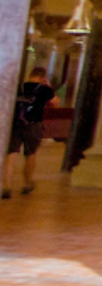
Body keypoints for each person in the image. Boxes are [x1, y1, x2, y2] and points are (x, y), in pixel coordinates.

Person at [5, 67, 57, 198]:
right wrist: (48, 86)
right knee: (30, 154)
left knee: (11, 156)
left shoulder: (19, 86)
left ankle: (6, 187)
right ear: (43, 77)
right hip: (34, 124)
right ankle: (27, 184)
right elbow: (56, 103)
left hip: (15, 124)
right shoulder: (44, 89)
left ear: (30, 75)